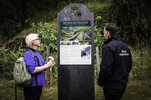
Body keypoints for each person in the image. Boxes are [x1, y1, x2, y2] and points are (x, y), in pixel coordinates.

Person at [98, 23, 132, 100]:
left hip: (111, 86)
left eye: (104, 33)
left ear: (108, 33)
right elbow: (129, 65)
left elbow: (105, 68)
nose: (103, 35)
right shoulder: (124, 46)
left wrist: (101, 82)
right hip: (122, 84)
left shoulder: (108, 47)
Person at [24, 33, 54, 100]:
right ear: (33, 42)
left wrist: (50, 62)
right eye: (37, 39)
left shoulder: (37, 53)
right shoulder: (28, 54)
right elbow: (33, 70)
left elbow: (43, 67)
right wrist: (46, 65)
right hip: (31, 86)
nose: (39, 40)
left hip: (38, 85)